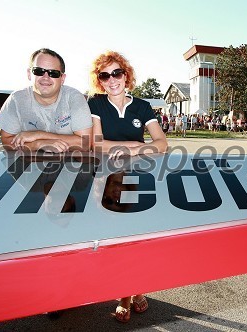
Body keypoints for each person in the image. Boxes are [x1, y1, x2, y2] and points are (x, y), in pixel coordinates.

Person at [87, 50, 168, 322]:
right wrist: (135, 144)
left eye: (117, 73)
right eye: (105, 75)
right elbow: (97, 144)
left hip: (136, 179)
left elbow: (161, 144)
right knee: (112, 239)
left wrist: (133, 152)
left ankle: (134, 290)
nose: (112, 80)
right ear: (99, 81)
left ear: (126, 75)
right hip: (105, 181)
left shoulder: (142, 106)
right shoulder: (95, 103)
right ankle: (123, 292)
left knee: (136, 239)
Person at [0, 48, 93, 153]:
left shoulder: (74, 98)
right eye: (39, 71)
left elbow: (85, 144)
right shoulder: (16, 99)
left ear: (62, 78)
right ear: (29, 73)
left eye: (53, 73)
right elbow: (6, 141)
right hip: (26, 167)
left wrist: (38, 135)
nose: (45, 77)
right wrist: (38, 144)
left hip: (69, 166)